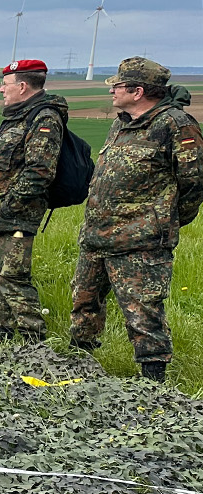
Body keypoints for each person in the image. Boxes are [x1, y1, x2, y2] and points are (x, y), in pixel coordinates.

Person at [69, 57, 203, 382]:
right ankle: (78, 366)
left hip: (140, 243)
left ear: (138, 91)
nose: (112, 90)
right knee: (84, 303)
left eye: (117, 86)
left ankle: (152, 385)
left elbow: (194, 183)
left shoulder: (175, 125)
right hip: (97, 237)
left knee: (143, 312)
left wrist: (160, 221)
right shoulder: (121, 123)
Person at [0, 59, 66, 342]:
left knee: (13, 279)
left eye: (6, 84)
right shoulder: (15, 117)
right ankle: (1, 335)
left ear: (23, 86)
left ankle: (32, 342)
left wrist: (7, 205)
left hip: (14, 216)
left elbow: (40, 171)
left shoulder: (43, 118)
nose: (1, 89)